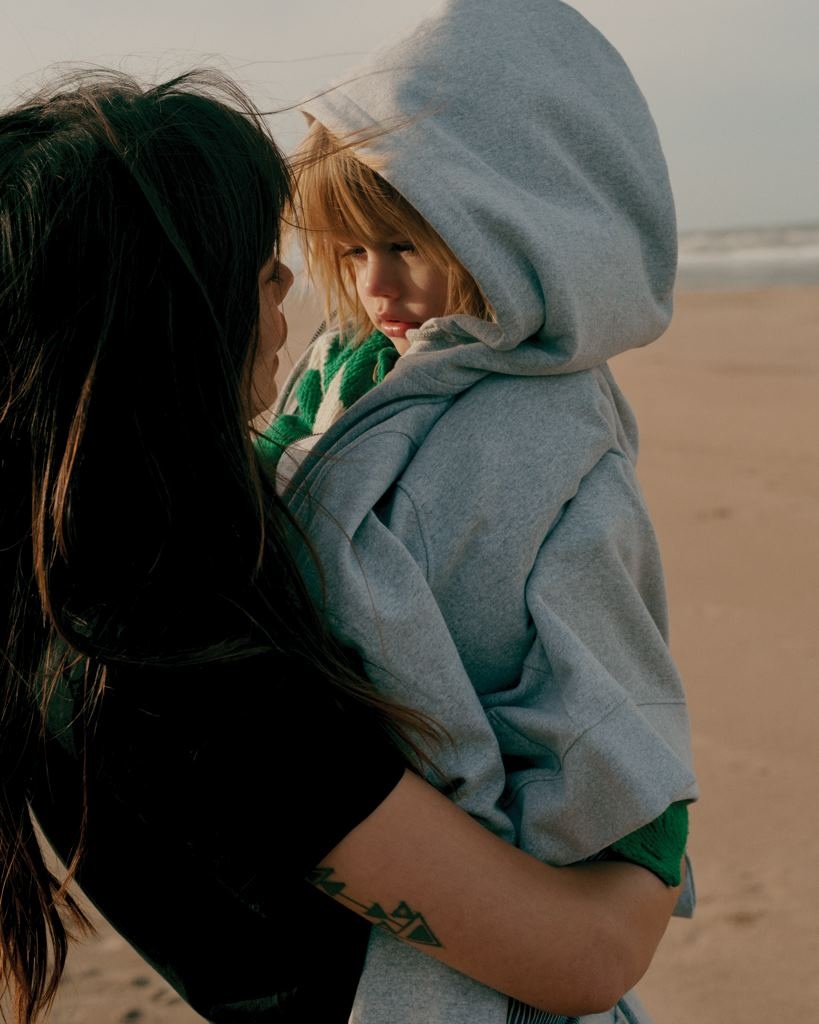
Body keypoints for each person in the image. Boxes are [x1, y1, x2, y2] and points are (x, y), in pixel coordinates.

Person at [0, 69, 683, 1024]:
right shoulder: (164, 665)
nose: (291, 278)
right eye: (252, 255)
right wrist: (650, 848)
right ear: (166, 312)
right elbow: (584, 957)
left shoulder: (82, 561)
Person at [262, 2, 699, 1022]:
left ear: (516, 214)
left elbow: (610, 669)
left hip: (474, 862)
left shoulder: (556, 445)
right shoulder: (352, 372)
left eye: (406, 243)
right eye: (352, 248)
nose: (374, 284)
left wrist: (613, 834)